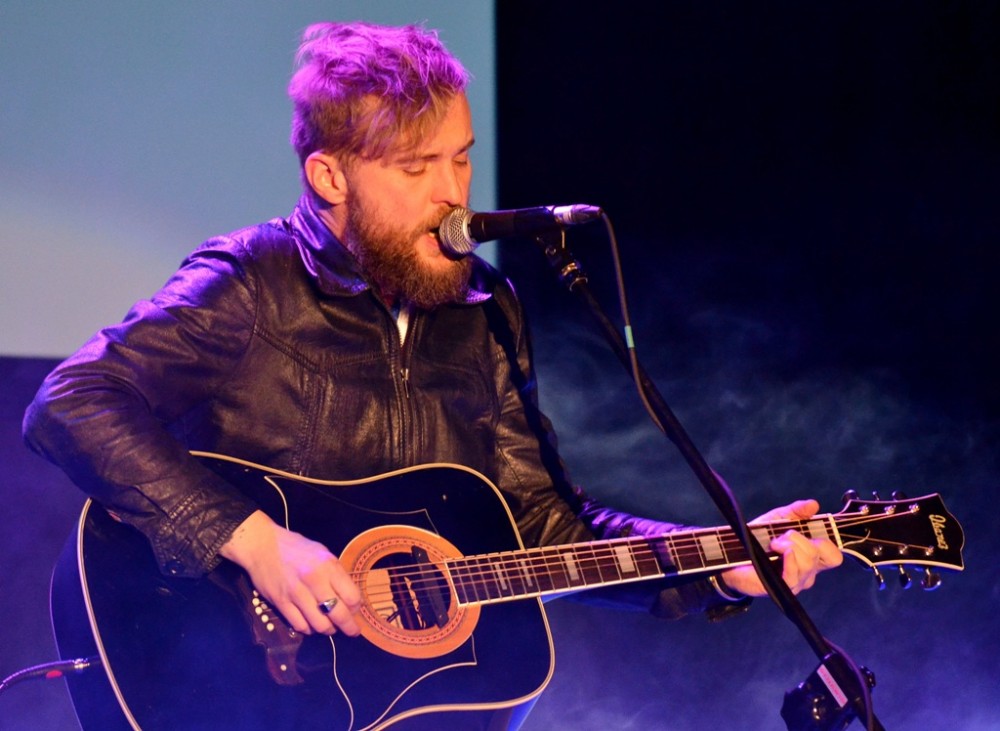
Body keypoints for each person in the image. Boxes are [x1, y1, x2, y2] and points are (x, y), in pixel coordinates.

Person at [23, 21, 842, 730]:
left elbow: (543, 530)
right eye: (417, 168)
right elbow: (72, 400)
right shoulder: (251, 283)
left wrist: (720, 566)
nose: (453, 196)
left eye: (461, 159)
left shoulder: (485, 308)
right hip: (244, 684)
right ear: (330, 176)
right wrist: (258, 542)